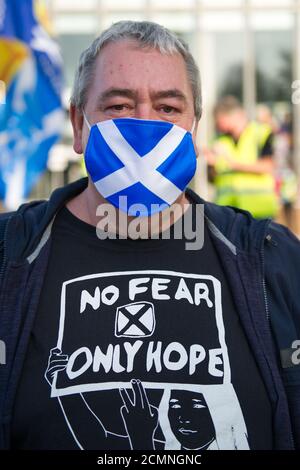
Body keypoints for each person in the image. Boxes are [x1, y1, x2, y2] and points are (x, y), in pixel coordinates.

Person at [0, 21, 299, 451]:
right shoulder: (10, 256)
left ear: (194, 127)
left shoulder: (272, 260)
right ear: (78, 124)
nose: (144, 126)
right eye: (119, 105)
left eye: (168, 108)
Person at [205, 96, 279, 219]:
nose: (218, 125)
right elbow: (212, 179)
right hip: (228, 214)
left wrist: (232, 163)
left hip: (259, 213)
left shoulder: (261, 133)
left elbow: (267, 166)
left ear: (235, 115)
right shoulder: (218, 139)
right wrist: (212, 166)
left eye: (220, 120)